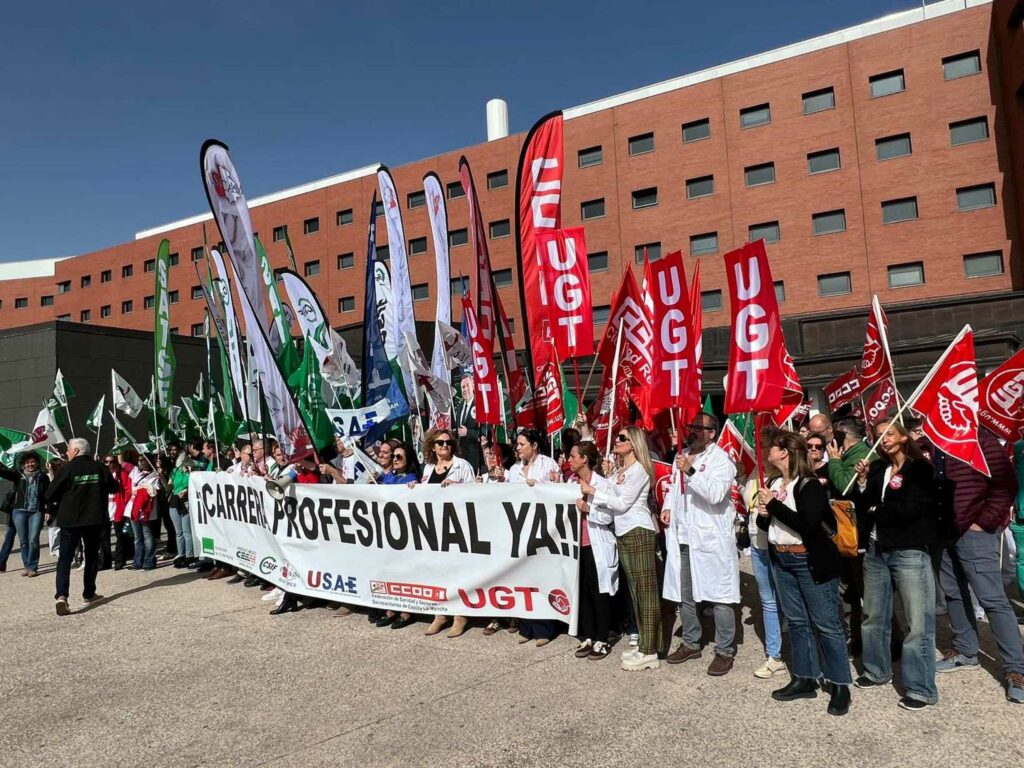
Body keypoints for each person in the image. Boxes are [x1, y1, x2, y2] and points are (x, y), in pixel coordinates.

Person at [756, 430, 851, 716]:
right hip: (782, 559)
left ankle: (840, 684)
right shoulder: (775, 482)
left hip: (808, 559)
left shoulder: (809, 485)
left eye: (771, 448)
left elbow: (808, 526)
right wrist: (763, 515)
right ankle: (804, 677)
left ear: (784, 452)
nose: (767, 452)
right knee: (797, 621)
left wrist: (773, 506)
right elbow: (771, 527)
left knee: (825, 623)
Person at [850, 418, 938, 711]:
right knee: (873, 615)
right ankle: (876, 670)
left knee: (917, 622)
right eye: (878, 435)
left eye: (889, 434)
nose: (883, 439)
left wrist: (878, 510)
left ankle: (920, 688)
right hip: (877, 550)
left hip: (909, 551)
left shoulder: (920, 468)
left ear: (903, 437)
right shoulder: (877, 469)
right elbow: (864, 508)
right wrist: (863, 485)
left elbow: (914, 508)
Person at [935, 426, 1024, 704]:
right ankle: (965, 650)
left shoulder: (981, 440)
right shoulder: (940, 441)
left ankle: (1016, 670)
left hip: (975, 532)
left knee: (992, 599)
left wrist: (982, 522)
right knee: (953, 591)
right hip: (946, 530)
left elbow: (1005, 485)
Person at [660, 413, 740, 677]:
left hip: (710, 539)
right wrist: (668, 507)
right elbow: (673, 488)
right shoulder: (681, 455)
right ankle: (691, 642)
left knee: (720, 596)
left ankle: (725, 650)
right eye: (690, 426)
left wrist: (691, 471)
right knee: (686, 595)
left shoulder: (722, 460)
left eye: (699, 428)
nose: (692, 431)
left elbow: (716, 495)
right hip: (684, 537)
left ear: (712, 433)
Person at [581, 425, 666, 672]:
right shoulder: (621, 470)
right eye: (617, 437)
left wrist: (594, 491)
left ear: (634, 443)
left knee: (647, 593)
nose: (617, 441)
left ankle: (651, 650)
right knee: (636, 592)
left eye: (622, 438)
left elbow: (622, 502)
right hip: (623, 533)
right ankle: (644, 645)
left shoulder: (639, 469)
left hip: (638, 531)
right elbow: (612, 496)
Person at [45, 438, 120, 616]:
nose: (66, 453)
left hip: (70, 520)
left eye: (69, 450)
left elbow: (49, 493)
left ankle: (62, 596)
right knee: (91, 556)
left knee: (65, 558)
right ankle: (89, 592)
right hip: (94, 519)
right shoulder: (100, 467)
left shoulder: (67, 469)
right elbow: (114, 488)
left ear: (77, 451)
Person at [507, 429, 562, 647]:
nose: (518, 448)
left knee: (542, 579)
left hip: (544, 528)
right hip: (520, 528)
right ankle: (526, 626)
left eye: (522, 444)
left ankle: (544, 627)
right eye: (517, 444)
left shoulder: (548, 465)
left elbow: (559, 492)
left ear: (534, 445)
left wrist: (540, 485)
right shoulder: (514, 469)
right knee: (523, 579)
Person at [418, 428, 475, 637]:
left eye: (448, 443)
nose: (444, 446)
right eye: (440, 443)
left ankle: (459, 616)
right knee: (437, 571)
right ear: (432, 446)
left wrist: (457, 486)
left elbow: (476, 495)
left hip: (456, 525)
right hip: (433, 526)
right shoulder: (428, 468)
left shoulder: (462, 466)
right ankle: (440, 614)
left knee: (457, 571)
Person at [743, 423, 787, 680]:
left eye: (762, 447)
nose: (758, 451)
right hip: (757, 543)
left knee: (789, 600)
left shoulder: (784, 478)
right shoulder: (754, 473)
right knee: (768, 601)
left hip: (777, 545)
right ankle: (775, 655)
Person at [571, 442, 617, 660]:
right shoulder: (569, 483)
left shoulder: (603, 484)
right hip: (575, 547)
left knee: (599, 593)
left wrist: (589, 509)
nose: (569, 460)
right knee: (583, 594)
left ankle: (603, 638)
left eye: (572, 456)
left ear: (584, 459)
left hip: (596, 545)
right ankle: (588, 636)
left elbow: (609, 516)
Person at [0, 451, 51, 577]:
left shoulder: (42, 476)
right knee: (23, 541)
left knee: (33, 539)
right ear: (23, 464)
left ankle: (33, 566)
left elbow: (48, 495)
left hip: (36, 511)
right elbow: (3, 471)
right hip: (19, 512)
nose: (30, 464)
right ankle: (27, 566)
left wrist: (48, 510)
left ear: (37, 463)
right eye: (27, 462)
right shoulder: (18, 475)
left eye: (33, 462)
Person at [167, 442, 196, 569]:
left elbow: (194, 484)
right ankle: (181, 554)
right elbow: (168, 486)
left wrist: (190, 471)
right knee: (178, 532)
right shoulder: (174, 470)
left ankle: (190, 555)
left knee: (186, 531)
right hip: (174, 500)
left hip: (185, 501)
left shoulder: (191, 470)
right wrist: (161, 476)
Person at [826, 418, 869, 498]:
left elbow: (845, 487)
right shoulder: (850, 453)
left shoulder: (861, 455)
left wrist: (834, 460)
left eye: (835, 433)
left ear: (841, 433)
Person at [455, 376, 484, 473]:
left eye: (468, 386)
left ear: (473, 387)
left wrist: (468, 433)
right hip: (461, 455)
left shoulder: (480, 405)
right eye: (463, 387)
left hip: (475, 456)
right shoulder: (459, 406)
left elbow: (484, 432)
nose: (465, 389)